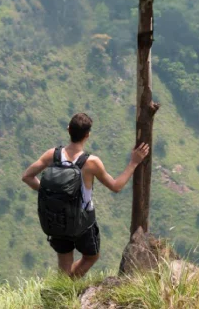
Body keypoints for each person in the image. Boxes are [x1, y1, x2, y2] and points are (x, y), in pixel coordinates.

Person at [22, 111, 149, 278]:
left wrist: (50, 194)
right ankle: (67, 287)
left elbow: (27, 177)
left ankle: (61, 293)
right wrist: (134, 162)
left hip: (56, 218)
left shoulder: (52, 155)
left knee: (64, 265)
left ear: (68, 130)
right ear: (87, 135)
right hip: (83, 222)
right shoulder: (91, 162)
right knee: (91, 256)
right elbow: (116, 186)